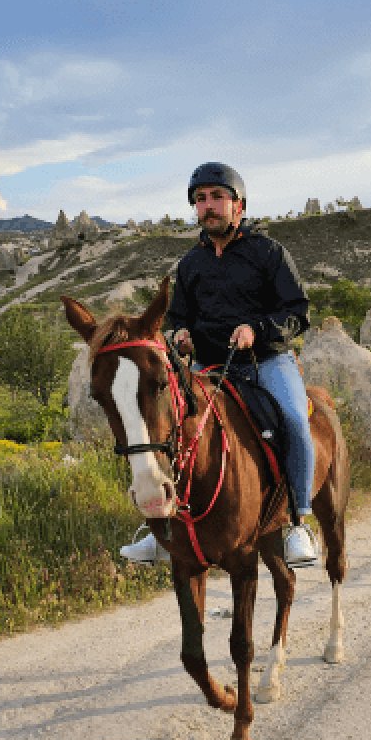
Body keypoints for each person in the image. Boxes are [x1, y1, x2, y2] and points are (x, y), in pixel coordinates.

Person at [121, 161, 319, 568]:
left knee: (296, 421)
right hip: (210, 366)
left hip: (265, 359)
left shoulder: (268, 253)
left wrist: (257, 329)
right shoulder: (190, 264)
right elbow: (178, 315)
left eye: (216, 197)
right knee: (168, 425)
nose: (207, 206)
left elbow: (297, 312)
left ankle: (298, 521)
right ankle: (162, 529)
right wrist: (180, 334)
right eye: (200, 200)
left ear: (238, 205)